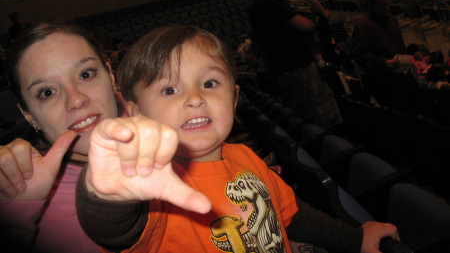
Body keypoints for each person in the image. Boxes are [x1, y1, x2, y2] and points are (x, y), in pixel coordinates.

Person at [76, 25, 399, 253]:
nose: (194, 98)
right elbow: (112, 230)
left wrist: (353, 240)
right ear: (135, 113)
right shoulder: (151, 193)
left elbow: (293, 216)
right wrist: (107, 194)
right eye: (170, 89)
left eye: (210, 83)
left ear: (233, 99)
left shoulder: (246, 157)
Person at [0, 22, 126, 253]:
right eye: (47, 92)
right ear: (28, 115)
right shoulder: (40, 215)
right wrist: (14, 216)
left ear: (110, 75)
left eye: (85, 74)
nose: (76, 99)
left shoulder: (173, 123)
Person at [244, 0, 342, 129]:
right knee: (320, 113)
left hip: (280, 71)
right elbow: (305, 26)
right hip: (298, 67)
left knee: (301, 117)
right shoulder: (271, 2)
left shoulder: (252, 8)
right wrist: (317, 21)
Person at [351, 0, 428, 115]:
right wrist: (384, 62)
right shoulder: (363, 26)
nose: (387, 8)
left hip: (401, 73)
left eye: (388, 4)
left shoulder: (391, 19)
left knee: (420, 107)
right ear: (371, 4)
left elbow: (399, 45)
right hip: (384, 79)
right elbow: (358, 54)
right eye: (382, 5)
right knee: (402, 113)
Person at [277, 0, 331, 68]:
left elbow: (279, 3)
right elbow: (312, 0)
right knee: (311, 40)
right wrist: (324, 12)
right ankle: (320, 61)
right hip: (306, 16)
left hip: (291, 18)